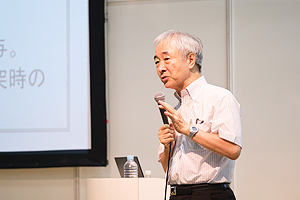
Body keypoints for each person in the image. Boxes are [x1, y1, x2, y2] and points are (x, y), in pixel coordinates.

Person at [153, 30, 242, 200]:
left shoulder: (219, 97)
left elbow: (233, 149)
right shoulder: (177, 109)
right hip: (176, 194)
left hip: (209, 194)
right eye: (156, 62)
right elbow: (167, 168)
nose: (160, 68)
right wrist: (167, 146)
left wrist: (189, 130)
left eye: (166, 59)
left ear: (191, 60)